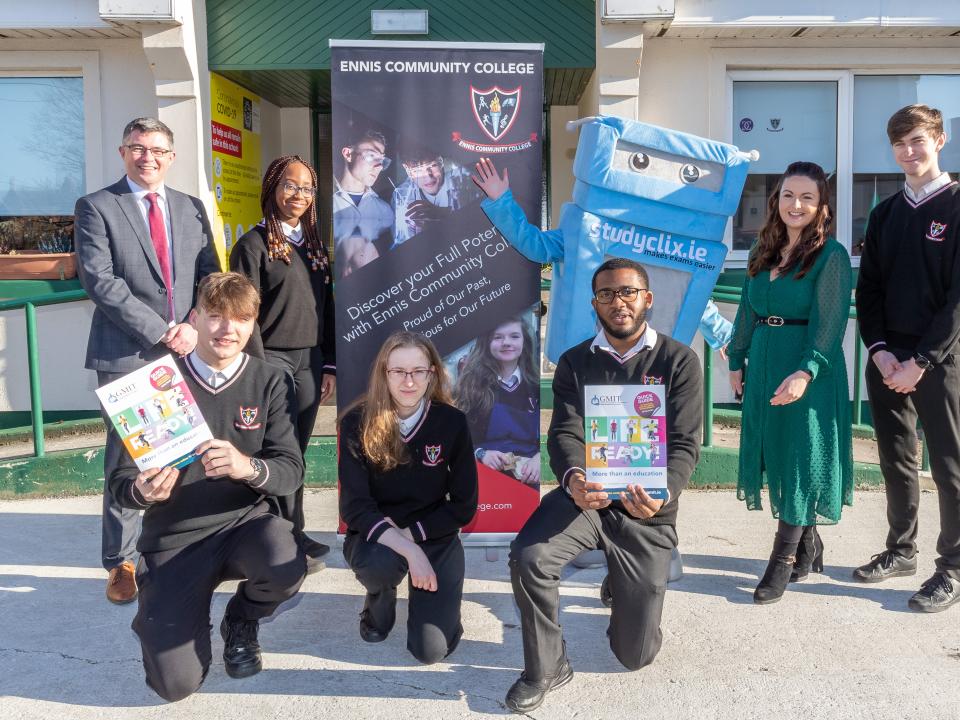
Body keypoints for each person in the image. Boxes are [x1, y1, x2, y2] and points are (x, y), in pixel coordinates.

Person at [503, 258, 702, 713]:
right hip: (588, 500)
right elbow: (565, 434)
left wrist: (662, 493)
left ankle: (626, 581)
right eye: (608, 294)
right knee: (530, 556)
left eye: (628, 292)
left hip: (645, 510)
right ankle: (546, 667)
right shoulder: (575, 362)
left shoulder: (678, 361)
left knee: (635, 656)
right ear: (595, 303)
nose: (619, 302)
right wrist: (573, 478)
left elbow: (686, 444)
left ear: (647, 299)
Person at [110, 272, 306, 702]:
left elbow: (291, 469)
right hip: (175, 539)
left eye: (240, 318)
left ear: (253, 324)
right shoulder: (151, 387)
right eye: (216, 316)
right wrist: (144, 492)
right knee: (174, 686)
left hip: (243, 524)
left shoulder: (270, 380)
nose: (227, 329)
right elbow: (119, 485)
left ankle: (241, 618)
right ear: (195, 319)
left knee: (287, 565)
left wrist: (248, 467)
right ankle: (160, 611)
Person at [74, 117, 220, 604]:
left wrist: (193, 324)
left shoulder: (190, 207)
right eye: (137, 148)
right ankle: (121, 563)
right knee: (128, 459)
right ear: (123, 153)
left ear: (171, 157)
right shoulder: (97, 207)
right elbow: (101, 281)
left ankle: (177, 546)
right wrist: (163, 331)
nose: (147, 157)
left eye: (157, 149)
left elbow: (210, 275)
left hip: (187, 349)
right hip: (129, 352)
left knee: (188, 450)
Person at [727, 161, 854, 605]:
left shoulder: (831, 255)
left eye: (807, 197)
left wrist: (806, 371)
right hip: (763, 359)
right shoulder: (761, 249)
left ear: (822, 206)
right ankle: (808, 542)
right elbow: (747, 309)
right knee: (776, 453)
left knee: (801, 456)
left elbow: (831, 322)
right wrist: (737, 356)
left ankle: (781, 560)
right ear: (776, 199)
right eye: (787, 195)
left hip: (807, 366)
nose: (795, 205)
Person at [855, 104, 960, 613]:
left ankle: (953, 568)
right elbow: (868, 288)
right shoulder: (886, 213)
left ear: (938, 140)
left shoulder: (958, 205)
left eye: (917, 140)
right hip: (889, 360)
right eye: (899, 144)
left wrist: (921, 359)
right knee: (896, 460)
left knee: (949, 466)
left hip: (941, 359)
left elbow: (958, 299)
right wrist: (878, 352)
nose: (908, 152)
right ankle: (901, 550)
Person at [338, 331, 478, 663]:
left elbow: (463, 505)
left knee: (430, 651)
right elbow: (354, 507)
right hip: (377, 539)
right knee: (379, 565)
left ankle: (436, 610)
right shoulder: (358, 422)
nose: (409, 381)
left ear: (432, 373)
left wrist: (414, 540)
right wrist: (408, 551)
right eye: (398, 371)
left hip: (433, 533)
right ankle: (379, 596)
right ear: (383, 373)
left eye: (418, 371)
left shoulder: (452, 422)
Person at [229, 154, 336, 567]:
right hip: (270, 362)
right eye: (290, 185)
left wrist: (329, 364)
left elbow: (327, 307)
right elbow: (243, 316)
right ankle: (274, 540)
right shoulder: (251, 245)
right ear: (272, 188)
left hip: (310, 362)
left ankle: (296, 533)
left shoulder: (314, 248)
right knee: (275, 451)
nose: (299, 195)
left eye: (307, 188)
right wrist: (256, 372)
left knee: (296, 454)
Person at [454, 316, 540, 487]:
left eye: (514, 336)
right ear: (487, 343)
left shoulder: (536, 386)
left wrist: (539, 458)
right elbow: (457, 440)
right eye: (498, 337)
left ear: (525, 342)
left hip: (528, 479)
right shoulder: (471, 386)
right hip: (484, 478)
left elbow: (551, 436)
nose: (506, 342)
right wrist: (481, 454)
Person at [392, 144, 480, 246]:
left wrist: (442, 214)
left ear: (441, 161)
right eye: (418, 170)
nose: (428, 177)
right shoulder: (402, 194)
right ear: (407, 169)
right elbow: (401, 242)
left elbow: (479, 224)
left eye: (432, 166)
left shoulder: (464, 178)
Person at [333, 129, 394, 257]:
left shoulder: (384, 210)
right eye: (371, 156)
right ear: (348, 154)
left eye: (382, 160)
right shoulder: (323, 202)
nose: (379, 166)